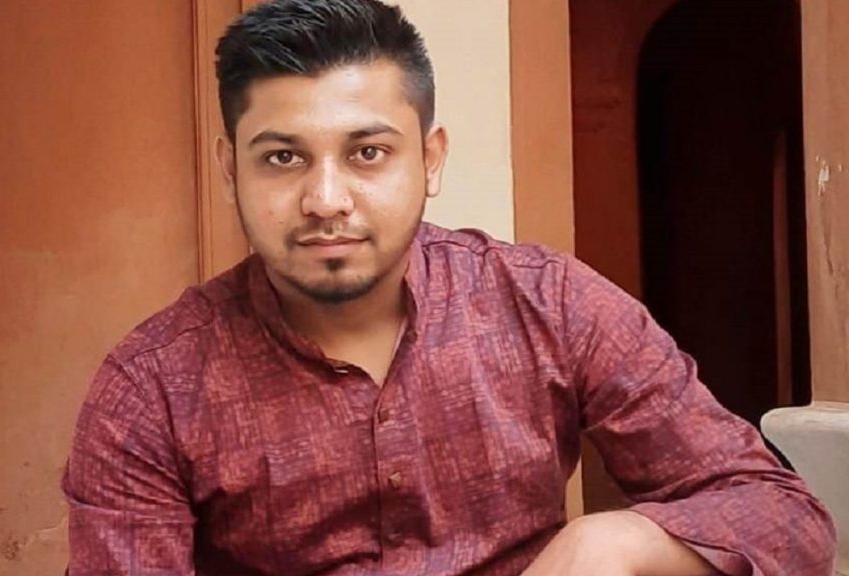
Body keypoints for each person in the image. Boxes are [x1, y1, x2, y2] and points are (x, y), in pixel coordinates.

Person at [62, 0, 836, 574]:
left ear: (429, 160)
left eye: (367, 152)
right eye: (283, 158)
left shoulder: (549, 305)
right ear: (231, 169)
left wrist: (618, 539)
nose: (325, 199)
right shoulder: (153, 386)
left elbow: (785, 518)